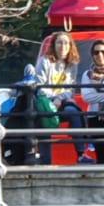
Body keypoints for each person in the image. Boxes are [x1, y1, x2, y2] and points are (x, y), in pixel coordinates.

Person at [34, 31, 88, 163]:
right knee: (44, 120)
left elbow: (70, 88)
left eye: (66, 43)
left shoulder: (72, 64)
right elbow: (39, 87)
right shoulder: (44, 61)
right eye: (59, 42)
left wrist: (60, 98)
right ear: (53, 45)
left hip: (61, 101)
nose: (63, 46)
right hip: (45, 102)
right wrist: (54, 99)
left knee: (74, 112)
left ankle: (81, 154)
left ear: (70, 46)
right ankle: (45, 160)